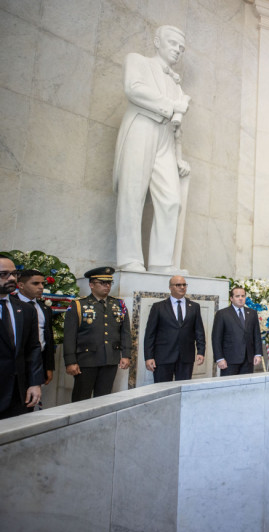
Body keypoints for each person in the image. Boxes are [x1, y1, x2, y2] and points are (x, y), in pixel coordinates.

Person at [114, 25, 192, 273]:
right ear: (157, 42)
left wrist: (179, 157)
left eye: (181, 48)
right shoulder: (138, 61)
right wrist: (172, 106)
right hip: (142, 127)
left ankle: (161, 263)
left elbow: (177, 126)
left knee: (171, 200)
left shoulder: (176, 83)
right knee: (132, 193)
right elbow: (133, 89)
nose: (177, 51)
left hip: (165, 138)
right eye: (172, 44)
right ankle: (129, 259)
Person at [63, 267, 131, 402]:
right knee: (81, 398)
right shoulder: (78, 305)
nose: (107, 286)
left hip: (110, 358)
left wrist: (126, 355)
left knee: (104, 399)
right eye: (102, 283)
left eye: (109, 283)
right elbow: (70, 336)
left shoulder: (119, 304)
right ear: (91, 285)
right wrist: (70, 361)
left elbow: (125, 332)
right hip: (86, 360)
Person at [0, 257, 43, 419]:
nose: (11, 278)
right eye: (4, 274)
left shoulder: (26, 309)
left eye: (14, 273)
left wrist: (34, 383)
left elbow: (33, 348)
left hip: (20, 393)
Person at [143, 275, 206, 382]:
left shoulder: (194, 307)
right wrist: (149, 357)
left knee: (184, 389)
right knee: (162, 389)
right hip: (163, 356)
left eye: (184, 285)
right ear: (170, 287)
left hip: (186, 357)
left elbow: (199, 331)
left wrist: (201, 351)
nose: (182, 287)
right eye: (178, 285)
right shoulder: (158, 307)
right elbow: (150, 334)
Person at [211, 287, 263, 376]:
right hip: (229, 360)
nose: (240, 298)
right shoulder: (222, 314)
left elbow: (256, 335)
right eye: (237, 296)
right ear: (231, 298)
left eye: (243, 296)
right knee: (229, 387)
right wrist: (219, 358)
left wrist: (258, 354)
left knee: (246, 386)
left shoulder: (252, 313)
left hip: (248, 359)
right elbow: (216, 338)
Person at [16, 269, 55, 386]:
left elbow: (49, 338)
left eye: (43, 283)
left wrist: (49, 366)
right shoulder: (12, 305)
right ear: (21, 285)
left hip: (39, 360)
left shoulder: (44, 308)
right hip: (17, 362)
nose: (41, 287)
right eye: (35, 283)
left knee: (34, 398)